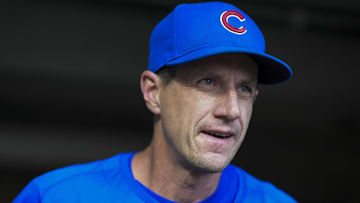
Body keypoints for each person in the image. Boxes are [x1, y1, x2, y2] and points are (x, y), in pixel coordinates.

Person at [13, 2, 297, 202]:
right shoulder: (59, 196)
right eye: (208, 82)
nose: (232, 110)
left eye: (245, 89)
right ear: (152, 92)